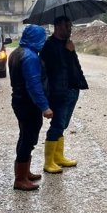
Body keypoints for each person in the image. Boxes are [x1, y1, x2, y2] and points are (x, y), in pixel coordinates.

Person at [40, 16, 88, 174]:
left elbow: (74, 65)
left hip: (72, 89)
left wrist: (71, 52)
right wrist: (68, 52)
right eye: (67, 26)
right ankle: (49, 162)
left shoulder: (67, 44)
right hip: (59, 92)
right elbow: (55, 68)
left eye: (71, 26)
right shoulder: (49, 46)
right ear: (58, 27)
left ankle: (58, 157)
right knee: (57, 125)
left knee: (64, 124)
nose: (70, 29)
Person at [8, 25, 53, 191]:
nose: (44, 41)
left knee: (25, 136)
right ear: (36, 38)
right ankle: (20, 179)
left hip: (20, 101)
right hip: (28, 104)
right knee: (28, 138)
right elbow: (34, 85)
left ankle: (25, 172)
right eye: (42, 38)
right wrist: (45, 107)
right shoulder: (30, 57)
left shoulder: (17, 52)